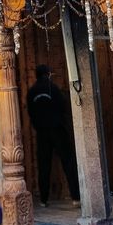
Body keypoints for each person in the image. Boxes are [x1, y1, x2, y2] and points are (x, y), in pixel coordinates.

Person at [27, 64, 80, 207]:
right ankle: (76, 197)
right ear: (48, 74)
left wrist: (38, 125)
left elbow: (31, 112)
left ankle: (43, 199)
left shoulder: (32, 92)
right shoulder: (54, 89)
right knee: (68, 162)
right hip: (58, 129)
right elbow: (63, 107)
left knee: (44, 165)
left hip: (41, 132)